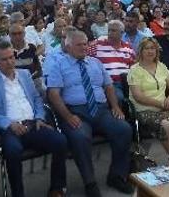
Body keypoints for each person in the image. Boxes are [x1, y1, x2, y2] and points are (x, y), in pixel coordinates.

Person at [45, 30, 133, 197]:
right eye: (79, 44)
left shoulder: (95, 63)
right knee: (80, 137)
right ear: (68, 46)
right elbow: (53, 94)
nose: (84, 47)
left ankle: (117, 176)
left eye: (85, 43)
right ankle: (90, 182)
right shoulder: (58, 65)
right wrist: (68, 116)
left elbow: (108, 86)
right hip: (75, 112)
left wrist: (115, 106)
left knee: (124, 129)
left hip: (100, 110)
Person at [0, 42, 67, 197]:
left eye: (12, 57)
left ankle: (57, 188)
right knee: (13, 151)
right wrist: (8, 123)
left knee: (60, 141)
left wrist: (40, 117)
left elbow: (37, 99)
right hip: (9, 129)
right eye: (4, 59)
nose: (10, 62)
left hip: (33, 124)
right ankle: (18, 194)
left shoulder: (25, 74)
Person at [127, 37, 169, 163]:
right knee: (166, 125)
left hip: (165, 107)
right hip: (144, 110)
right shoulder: (135, 70)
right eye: (147, 48)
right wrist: (161, 104)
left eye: (153, 48)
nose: (150, 51)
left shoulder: (162, 66)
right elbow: (138, 96)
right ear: (141, 51)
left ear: (157, 51)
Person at [86, 20, 136, 102]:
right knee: (119, 98)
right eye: (109, 30)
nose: (110, 33)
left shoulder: (128, 48)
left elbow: (134, 67)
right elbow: (85, 61)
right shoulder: (97, 46)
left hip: (127, 82)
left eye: (113, 31)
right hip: (109, 83)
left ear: (122, 33)